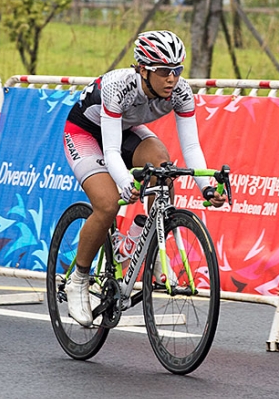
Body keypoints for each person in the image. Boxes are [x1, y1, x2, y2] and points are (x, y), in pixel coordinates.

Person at [62, 29, 226, 327]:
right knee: (108, 204)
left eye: (177, 70)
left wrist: (207, 187)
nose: (172, 79)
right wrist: (124, 181)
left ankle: (147, 247)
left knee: (163, 167)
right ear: (142, 69)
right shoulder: (117, 87)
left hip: (126, 130)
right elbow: (110, 149)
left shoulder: (181, 92)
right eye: (164, 71)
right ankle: (78, 279)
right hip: (87, 134)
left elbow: (191, 147)